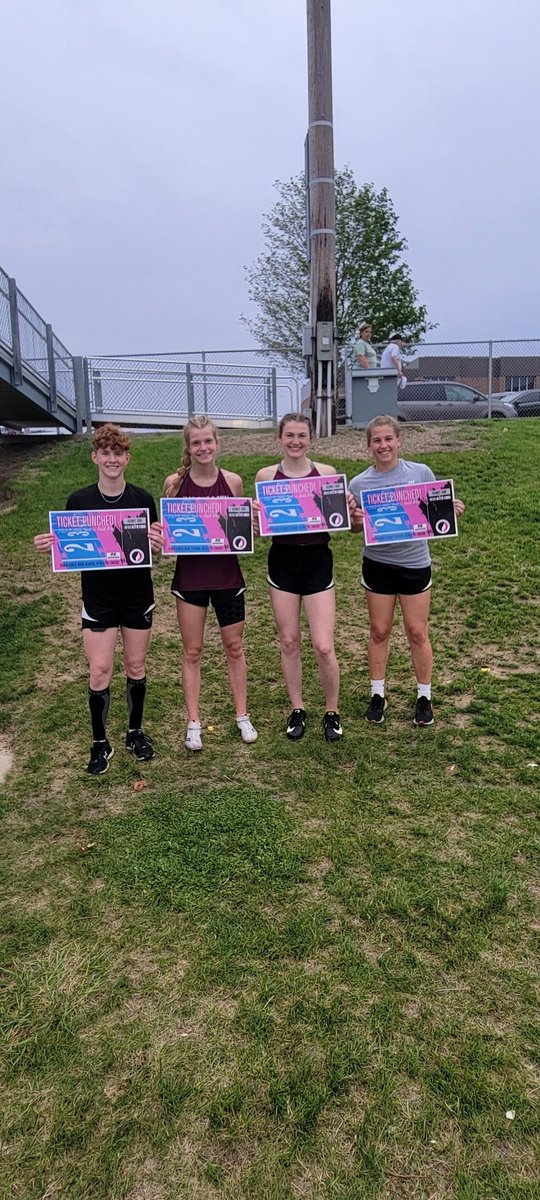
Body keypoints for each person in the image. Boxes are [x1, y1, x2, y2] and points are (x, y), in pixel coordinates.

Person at [33, 423, 162, 775]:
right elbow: (72, 547)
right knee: (100, 669)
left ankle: (134, 733)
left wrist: (158, 545)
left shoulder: (142, 500)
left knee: (136, 667)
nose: (112, 459)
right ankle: (100, 743)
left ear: (127, 458)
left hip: (137, 596)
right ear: (94, 457)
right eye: (105, 453)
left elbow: (156, 551)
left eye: (118, 453)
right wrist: (52, 545)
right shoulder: (79, 501)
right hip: (99, 598)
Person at [348, 415, 465, 726]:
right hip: (377, 565)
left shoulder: (420, 472)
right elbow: (354, 527)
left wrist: (450, 509)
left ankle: (424, 696)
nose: (383, 445)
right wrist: (356, 522)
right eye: (377, 440)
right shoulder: (359, 484)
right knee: (379, 631)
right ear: (369, 445)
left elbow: (435, 509)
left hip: (414, 563)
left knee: (416, 631)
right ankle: (377, 693)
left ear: (399, 441)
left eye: (389, 439)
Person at [163, 416, 257, 752]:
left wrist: (252, 525)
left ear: (217, 443)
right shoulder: (174, 483)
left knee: (235, 648)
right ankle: (193, 723)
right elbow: (169, 533)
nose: (203, 448)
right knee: (192, 651)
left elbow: (240, 532)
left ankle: (242, 716)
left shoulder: (232, 482)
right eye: (196, 443)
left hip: (228, 578)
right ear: (188, 447)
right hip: (190, 580)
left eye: (208, 441)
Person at [254, 412, 349, 743]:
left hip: (317, 561)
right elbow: (263, 524)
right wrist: (255, 518)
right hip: (282, 562)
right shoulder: (266, 475)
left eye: (301, 435)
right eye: (289, 435)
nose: (295, 441)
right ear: (279, 437)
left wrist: (345, 505)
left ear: (310, 438)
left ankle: (332, 712)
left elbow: (338, 517)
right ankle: (298, 708)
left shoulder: (326, 473)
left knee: (323, 645)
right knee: (289, 640)